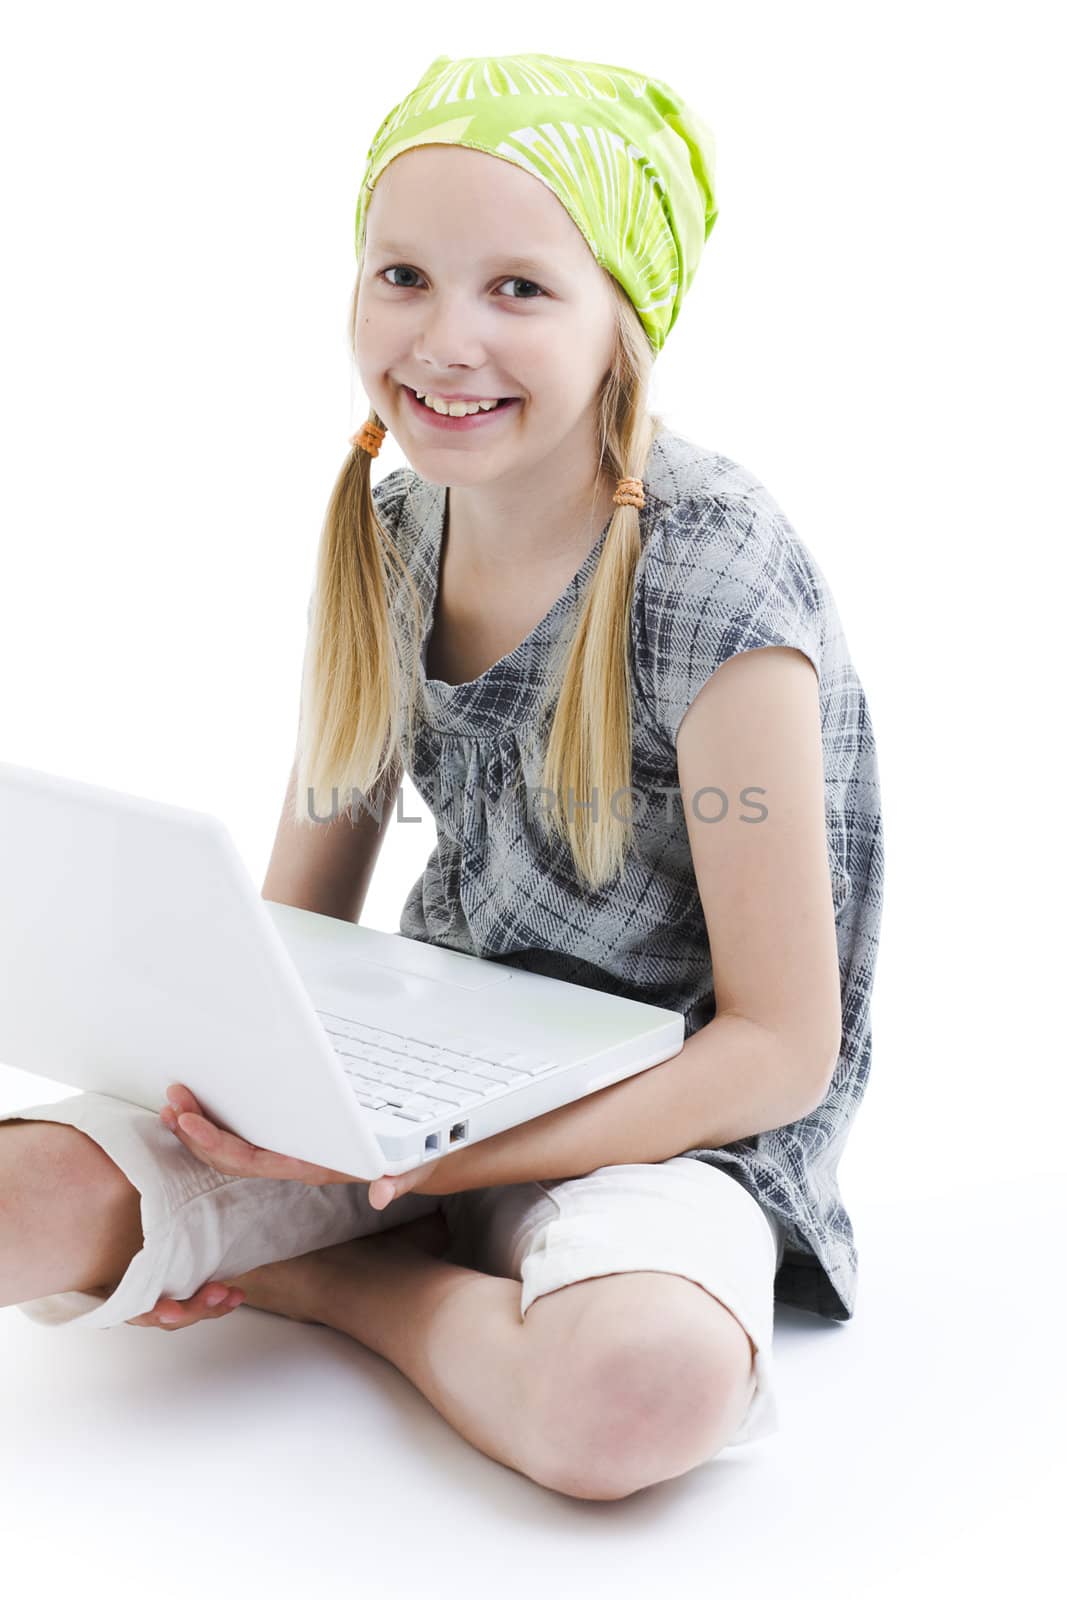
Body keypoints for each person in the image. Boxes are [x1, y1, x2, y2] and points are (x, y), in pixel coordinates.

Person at [0, 52, 883, 1501]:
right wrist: (264, 1105)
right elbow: (299, 929)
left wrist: (401, 1192)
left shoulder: (718, 577)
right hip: (412, 1104)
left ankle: (347, 1288)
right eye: (402, 274)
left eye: (520, 289)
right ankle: (364, 1236)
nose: (443, 338)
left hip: (662, 1129)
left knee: (631, 1390)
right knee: (22, 1189)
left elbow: (779, 1047)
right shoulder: (395, 530)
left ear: (624, 324)